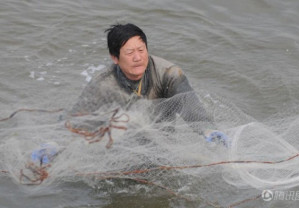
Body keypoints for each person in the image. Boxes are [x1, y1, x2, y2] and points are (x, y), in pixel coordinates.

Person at [70, 23, 228, 146]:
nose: (138, 57)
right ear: (115, 58)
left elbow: (192, 110)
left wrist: (208, 130)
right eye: (130, 53)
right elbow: (79, 121)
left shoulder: (169, 74)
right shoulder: (103, 84)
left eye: (141, 50)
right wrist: (55, 145)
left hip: (163, 148)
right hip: (121, 148)